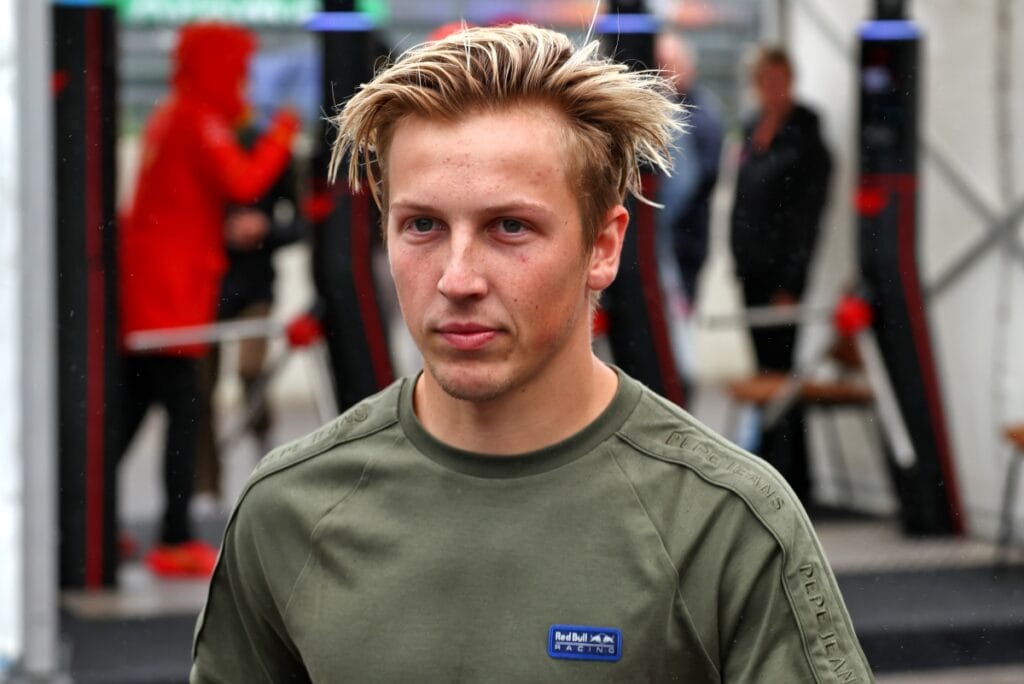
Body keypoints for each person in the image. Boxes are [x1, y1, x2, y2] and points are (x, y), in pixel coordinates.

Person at [192, 25, 868, 681]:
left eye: (509, 227)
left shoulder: (725, 526)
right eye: (421, 225)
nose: (458, 279)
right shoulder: (287, 512)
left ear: (603, 246)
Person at [118, 22, 298, 576]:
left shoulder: (174, 113)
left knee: (134, 409)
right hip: (171, 292)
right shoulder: (197, 117)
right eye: (238, 70)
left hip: (164, 286)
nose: (243, 82)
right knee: (181, 411)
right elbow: (243, 182)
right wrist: (283, 133)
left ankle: (92, 524)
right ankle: (173, 537)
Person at [729, 45, 832, 505]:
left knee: (784, 378)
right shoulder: (752, 129)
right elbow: (742, 199)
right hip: (751, 270)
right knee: (764, 374)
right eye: (764, 80)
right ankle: (769, 472)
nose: (772, 89)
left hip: (783, 277)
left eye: (779, 80)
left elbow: (808, 218)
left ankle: (795, 481)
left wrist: (792, 280)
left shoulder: (807, 137)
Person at [193, 124, 303, 511]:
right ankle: (207, 485)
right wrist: (217, 230)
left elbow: (302, 220)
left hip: (256, 287)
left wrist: (266, 229)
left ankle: (264, 451)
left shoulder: (268, 146)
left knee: (250, 370)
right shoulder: (199, 146)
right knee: (200, 389)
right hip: (206, 289)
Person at [655, 32, 724, 303]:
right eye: (660, 62)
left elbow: (693, 182)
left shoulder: (702, 115)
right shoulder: (662, 107)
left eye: (669, 63)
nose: (663, 71)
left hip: (685, 243)